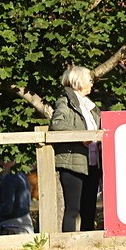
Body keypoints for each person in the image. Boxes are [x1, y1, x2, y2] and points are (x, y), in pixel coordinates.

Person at [51, 65, 103, 231]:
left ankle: (88, 247)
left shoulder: (90, 107)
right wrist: (81, 136)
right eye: (89, 80)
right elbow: (57, 124)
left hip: (92, 163)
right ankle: (67, 248)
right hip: (73, 162)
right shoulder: (65, 103)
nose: (92, 84)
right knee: (73, 209)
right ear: (79, 81)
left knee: (89, 210)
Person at [0, 158, 34, 235]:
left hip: (13, 226)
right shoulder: (22, 176)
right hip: (26, 224)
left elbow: (8, 208)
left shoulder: (9, 178)